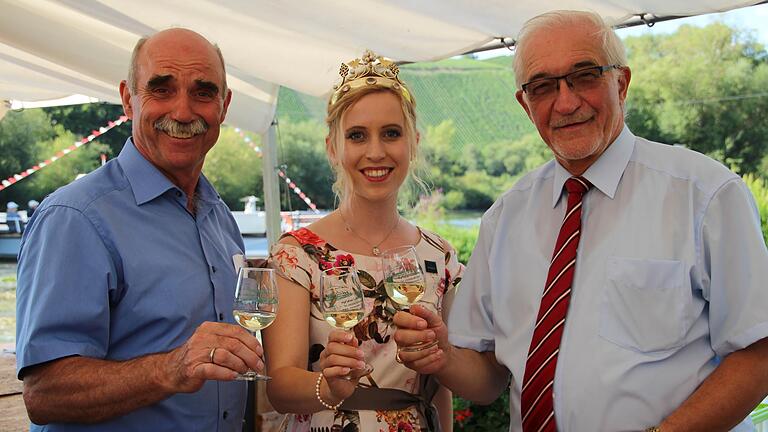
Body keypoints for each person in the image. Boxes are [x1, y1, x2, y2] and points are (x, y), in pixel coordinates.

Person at [393, 10, 768, 432]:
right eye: (543, 87)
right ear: (525, 103)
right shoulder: (505, 218)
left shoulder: (705, 195)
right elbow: (488, 379)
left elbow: (758, 352)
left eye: (585, 75)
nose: (566, 102)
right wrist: (443, 356)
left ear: (621, 83)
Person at [15, 28, 264, 431]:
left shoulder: (219, 217)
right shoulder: (75, 217)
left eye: (203, 92)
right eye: (161, 90)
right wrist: (171, 368)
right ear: (129, 100)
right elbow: (44, 394)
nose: (183, 112)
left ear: (224, 105)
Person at [264, 50, 463, 432]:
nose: (375, 151)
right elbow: (281, 386)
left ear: (413, 142)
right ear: (333, 148)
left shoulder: (440, 256)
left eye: (391, 133)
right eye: (357, 135)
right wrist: (328, 384)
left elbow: (439, 386)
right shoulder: (297, 255)